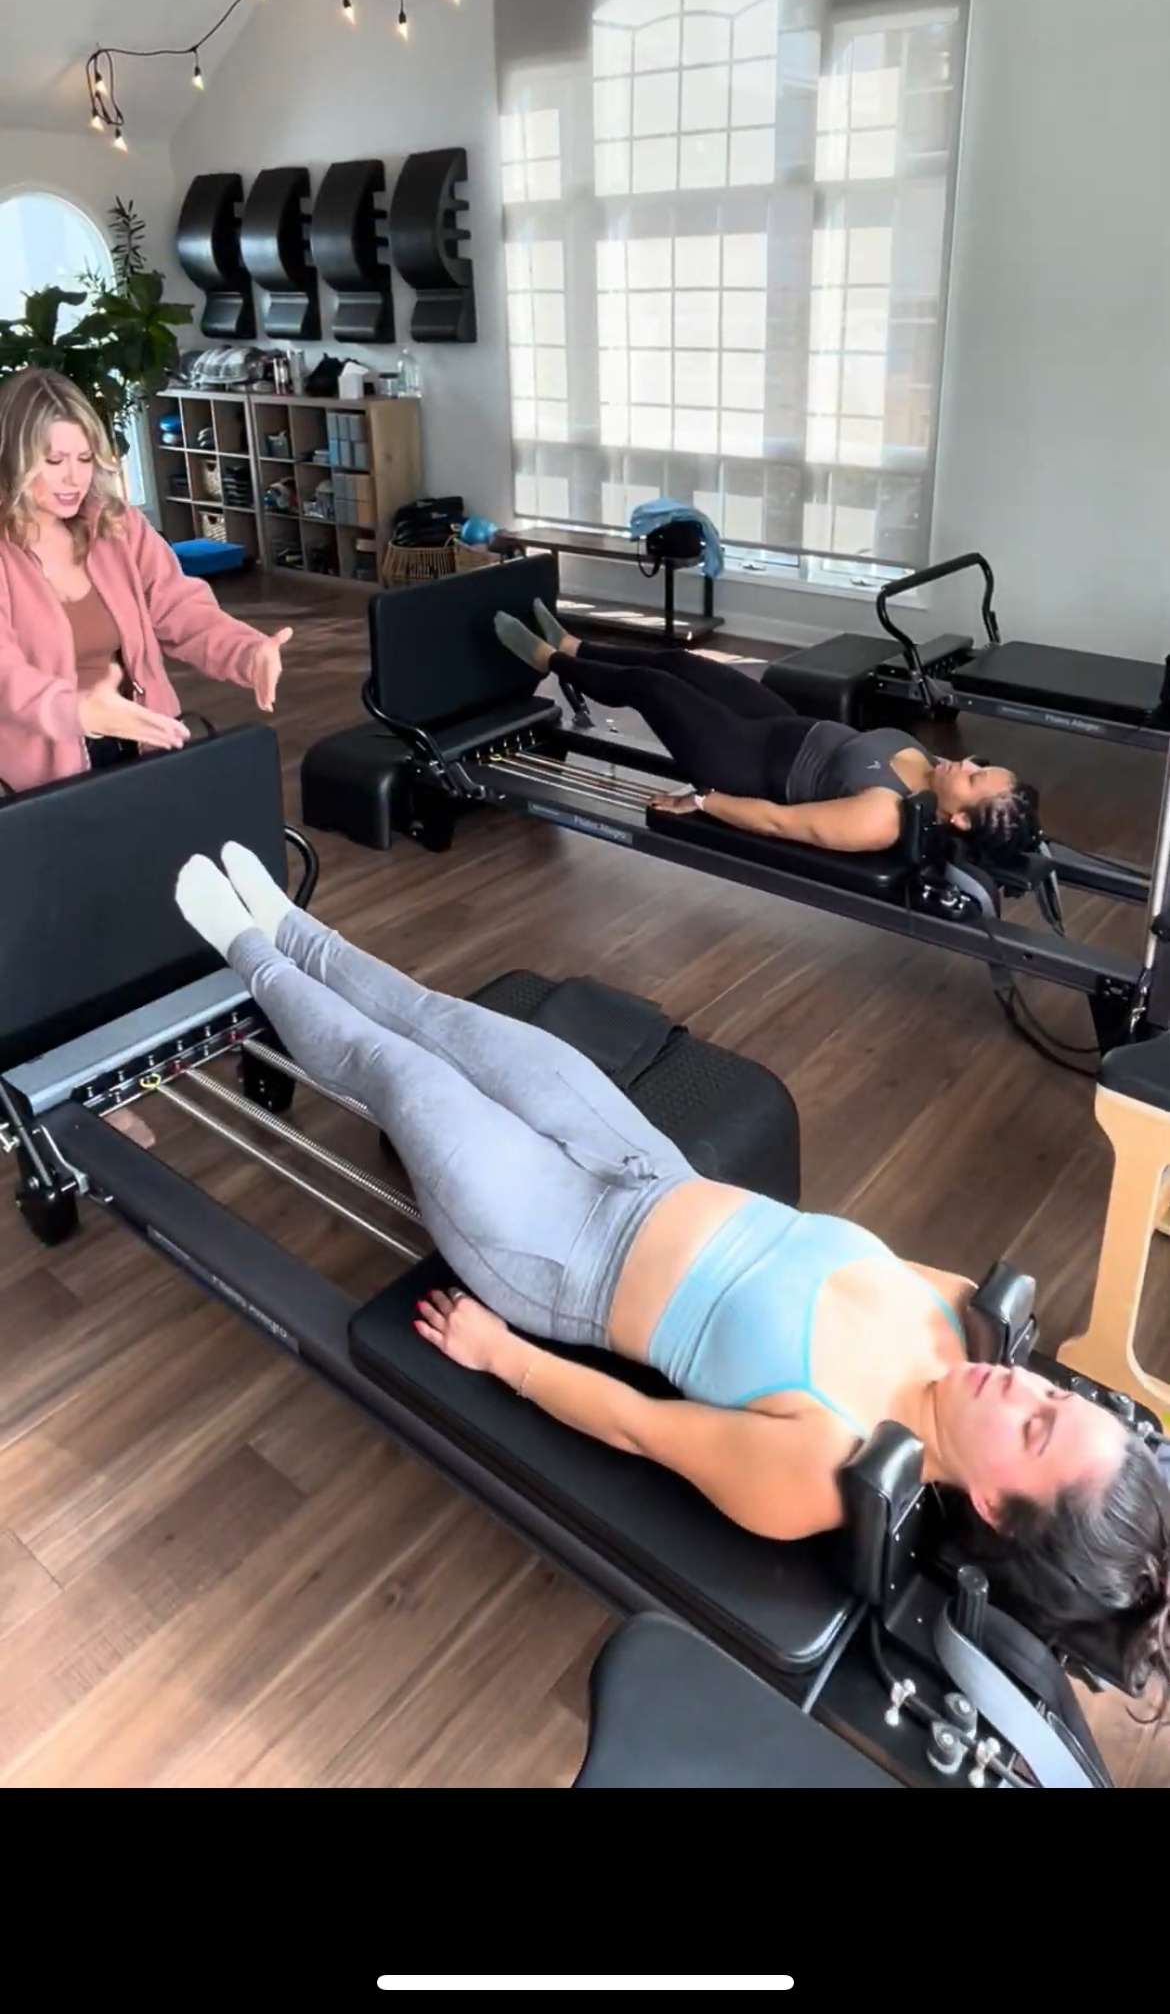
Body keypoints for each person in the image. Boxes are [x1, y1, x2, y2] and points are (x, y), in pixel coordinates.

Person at [174, 842, 1170, 1713]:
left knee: (401, 1077)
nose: (1025, 1386)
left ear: (994, 1507)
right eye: (1052, 1393)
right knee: (446, 1023)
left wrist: (505, 1358)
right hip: (646, 1163)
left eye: (1035, 1426)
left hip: (557, 1252)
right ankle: (295, 927)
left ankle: (247, 951)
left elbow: (637, 1428)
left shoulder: (827, 1463)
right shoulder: (958, 1318)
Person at [493, 602, 1039, 862]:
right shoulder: (929, 769)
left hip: (742, 761)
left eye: (974, 778)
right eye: (979, 764)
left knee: (654, 689)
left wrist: (703, 801)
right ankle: (574, 648)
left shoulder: (882, 817)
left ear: (960, 819)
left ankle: (546, 660)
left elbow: (781, 822)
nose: (966, 764)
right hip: (781, 726)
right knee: (685, 665)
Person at [0, 367, 292, 794]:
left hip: (142, 739)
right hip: (40, 776)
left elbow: (181, 609)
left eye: (84, 459)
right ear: (14, 460)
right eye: (54, 461)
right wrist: (78, 711)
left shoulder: (117, 526)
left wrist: (246, 651)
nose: (73, 478)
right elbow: (6, 676)